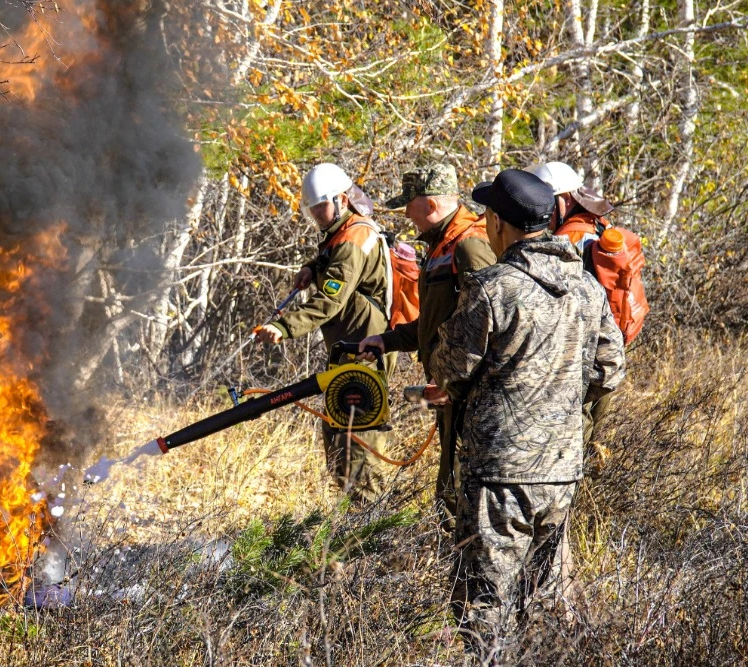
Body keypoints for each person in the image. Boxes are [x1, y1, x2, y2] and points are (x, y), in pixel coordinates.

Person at [430, 167, 626, 631]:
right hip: (560, 472)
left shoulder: (494, 287)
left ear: (498, 223)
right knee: (545, 603)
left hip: (500, 476)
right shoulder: (586, 288)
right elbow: (610, 370)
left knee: (483, 608)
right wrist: (558, 403)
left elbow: (449, 367)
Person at [354, 163, 496, 531]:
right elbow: (436, 322)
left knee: (463, 495)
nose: (405, 213)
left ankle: (465, 574)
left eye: (409, 205)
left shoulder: (469, 247)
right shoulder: (442, 246)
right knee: (451, 490)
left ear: (430, 204)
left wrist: (457, 383)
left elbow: (488, 324)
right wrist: (386, 340)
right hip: (451, 391)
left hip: (470, 397)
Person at [254, 163, 395, 502]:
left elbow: (331, 300)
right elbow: (336, 268)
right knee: (338, 439)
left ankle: (370, 529)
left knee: (358, 443)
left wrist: (282, 326)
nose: (317, 215)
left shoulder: (352, 238)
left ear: (342, 199)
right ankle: (350, 526)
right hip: (349, 351)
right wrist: (312, 267)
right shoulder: (344, 234)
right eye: (312, 209)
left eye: (321, 207)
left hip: (364, 353)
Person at [528, 160, 624, 451]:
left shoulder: (567, 239)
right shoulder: (599, 226)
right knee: (597, 441)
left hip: (580, 354)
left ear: (565, 200)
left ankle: (579, 495)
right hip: (609, 350)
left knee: (574, 439)